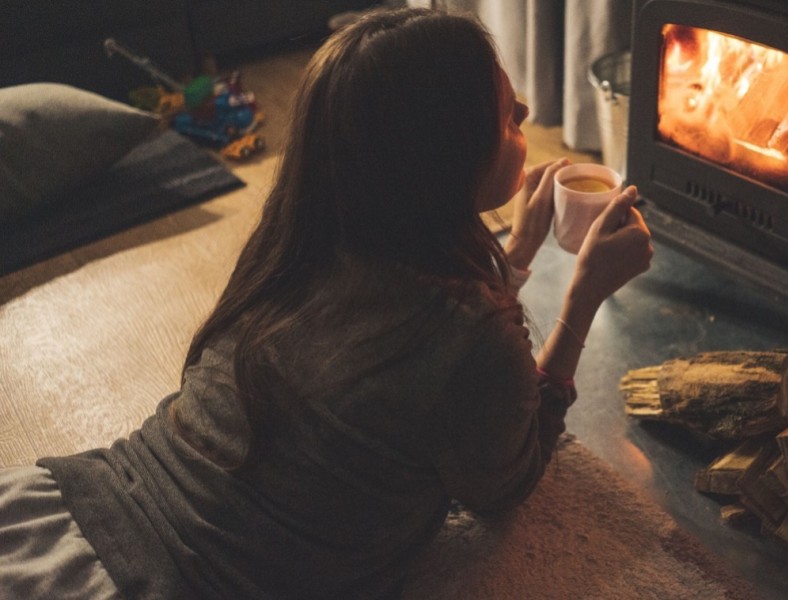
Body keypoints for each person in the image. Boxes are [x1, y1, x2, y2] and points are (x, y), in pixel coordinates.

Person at [0, 7, 653, 599]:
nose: (529, 113)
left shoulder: (297, 244)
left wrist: (513, 261)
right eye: (508, 114)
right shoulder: (470, 340)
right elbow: (504, 484)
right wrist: (582, 299)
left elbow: (407, 357)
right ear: (444, 157)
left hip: (77, 508)